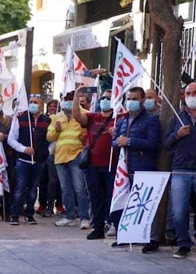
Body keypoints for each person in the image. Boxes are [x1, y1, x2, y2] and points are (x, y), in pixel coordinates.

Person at [111, 86, 162, 252]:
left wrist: (130, 141)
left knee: (146, 204)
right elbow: (115, 142)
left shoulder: (151, 120)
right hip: (124, 169)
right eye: (129, 98)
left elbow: (153, 143)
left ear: (142, 101)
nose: (130, 101)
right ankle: (128, 235)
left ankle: (152, 239)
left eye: (134, 99)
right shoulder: (123, 120)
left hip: (143, 167)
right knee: (127, 203)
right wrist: (118, 141)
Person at [74, 89, 116, 240]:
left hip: (112, 164)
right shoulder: (93, 117)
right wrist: (76, 97)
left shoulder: (120, 118)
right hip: (92, 165)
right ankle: (97, 227)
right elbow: (77, 116)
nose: (105, 100)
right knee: (95, 197)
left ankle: (112, 223)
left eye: (109, 98)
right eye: (103, 98)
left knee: (110, 197)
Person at [48, 91, 91, 229]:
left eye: (71, 99)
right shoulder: (56, 117)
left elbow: (88, 133)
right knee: (65, 189)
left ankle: (85, 218)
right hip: (60, 156)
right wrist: (56, 130)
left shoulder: (85, 114)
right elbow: (49, 137)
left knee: (80, 188)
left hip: (76, 155)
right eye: (65, 99)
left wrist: (83, 138)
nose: (67, 101)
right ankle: (69, 216)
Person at [8, 95, 52, 225]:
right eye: (31, 102)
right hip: (23, 160)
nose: (33, 104)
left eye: (36, 102)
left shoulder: (47, 120)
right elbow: (11, 139)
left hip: (40, 160)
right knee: (19, 188)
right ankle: (15, 214)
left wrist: (47, 151)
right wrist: (23, 149)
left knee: (33, 189)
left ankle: (29, 214)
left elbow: (52, 140)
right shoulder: (20, 118)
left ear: (42, 105)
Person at [167, 82, 196, 258]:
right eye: (189, 93)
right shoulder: (177, 118)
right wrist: (177, 135)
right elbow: (167, 143)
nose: (192, 96)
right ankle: (183, 243)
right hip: (181, 170)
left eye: (195, 92)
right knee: (179, 211)